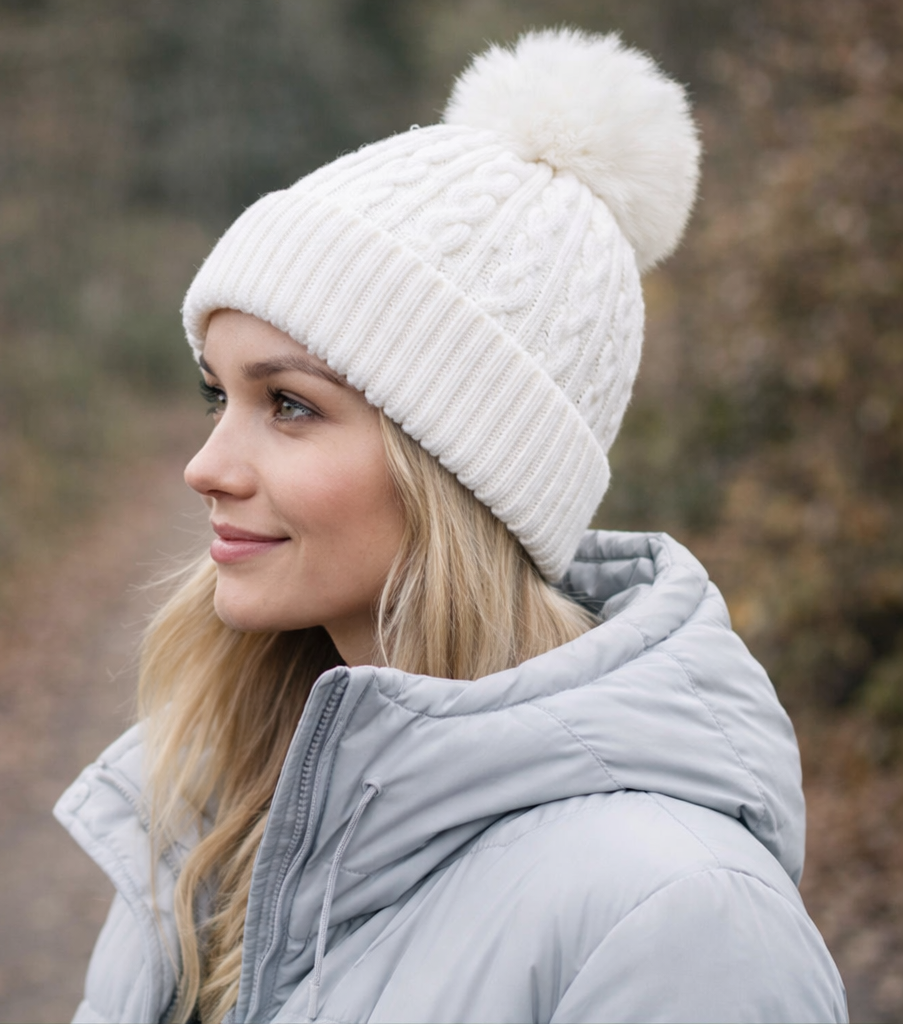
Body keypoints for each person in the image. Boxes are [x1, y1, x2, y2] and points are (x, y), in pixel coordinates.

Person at [55, 27, 847, 1024]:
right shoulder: (215, 816)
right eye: (218, 396)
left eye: (288, 405)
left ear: (464, 469)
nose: (206, 466)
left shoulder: (681, 922)